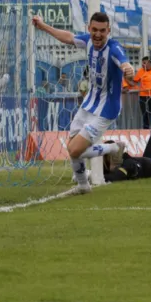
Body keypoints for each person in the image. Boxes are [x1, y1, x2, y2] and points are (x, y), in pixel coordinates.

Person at [32, 12, 135, 193]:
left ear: (108, 31)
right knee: (72, 148)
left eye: (102, 31)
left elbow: (124, 61)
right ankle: (83, 185)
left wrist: (128, 68)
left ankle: (113, 148)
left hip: (106, 109)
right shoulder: (87, 41)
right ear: (89, 28)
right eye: (94, 30)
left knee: (74, 150)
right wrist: (43, 26)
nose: (97, 34)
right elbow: (68, 37)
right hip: (88, 103)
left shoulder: (114, 48)